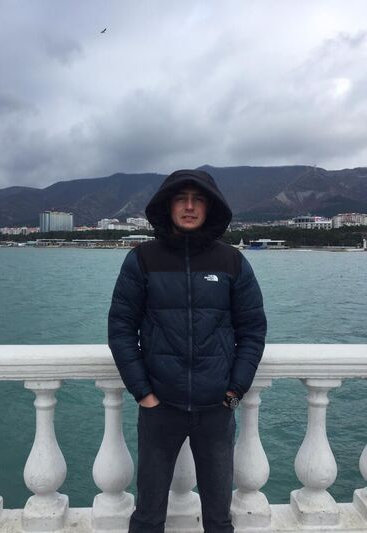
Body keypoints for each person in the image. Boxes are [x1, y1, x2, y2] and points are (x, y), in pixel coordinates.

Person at [108, 169, 267, 533]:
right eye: (181, 199)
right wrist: (144, 393)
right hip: (160, 407)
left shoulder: (232, 261)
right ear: (168, 206)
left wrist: (234, 390)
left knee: (219, 517)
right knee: (148, 515)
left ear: (211, 207)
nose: (190, 207)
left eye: (198, 200)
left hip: (217, 409)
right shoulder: (142, 259)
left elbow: (253, 329)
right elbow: (120, 329)